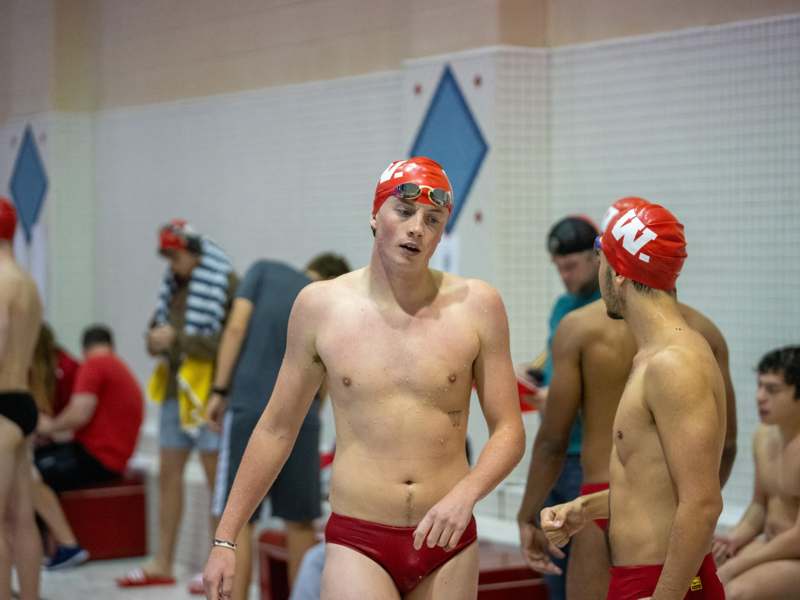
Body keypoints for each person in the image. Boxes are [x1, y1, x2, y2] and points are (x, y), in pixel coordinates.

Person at [203, 157, 525, 600]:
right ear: (376, 215)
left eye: (433, 219)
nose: (417, 228)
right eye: (404, 212)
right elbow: (277, 428)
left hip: (446, 538)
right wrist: (226, 537)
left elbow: (509, 430)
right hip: (360, 540)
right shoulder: (321, 307)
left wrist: (466, 494)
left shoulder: (478, 306)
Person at [518, 198, 738, 599]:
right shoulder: (653, 356)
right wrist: (583, 509)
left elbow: (703, 504)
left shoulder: (674, 364)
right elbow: (651, 486)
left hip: (663, 581)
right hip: (643, 575)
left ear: (618, 273)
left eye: (601, 259)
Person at [205, 253, 350, 600]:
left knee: (239, 520)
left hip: (251, 408)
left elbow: (236, 326)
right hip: (304, 418)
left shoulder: (264, 271)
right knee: (299, 521)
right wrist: (314, 415)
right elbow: (331, 369)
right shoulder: (330, 299)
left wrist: (219, 389)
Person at [118, 220, 238, 588]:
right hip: (174, 391)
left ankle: (215, 566)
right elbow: (158, 332)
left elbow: (228, 344)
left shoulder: (226, 284)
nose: (171, 264)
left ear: (194, 252)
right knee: (168, 477)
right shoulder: (171, 287)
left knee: (213, 480)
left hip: (209, 396)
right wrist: (154, 341)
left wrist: (177, 339)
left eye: (176, 255)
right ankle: (163, 561)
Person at [520, 214, 600, 600]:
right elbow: (552, 360)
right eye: (559, 268)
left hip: (590, 457)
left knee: (586, 577)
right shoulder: (562, 306)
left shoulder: (610, 309)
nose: (565, 276)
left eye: (570, 266)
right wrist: (533, 376)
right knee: (555, 570)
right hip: (555, 453)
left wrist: (567, 395)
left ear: (596, 257)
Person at [34, 325, 144, 568]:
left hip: (98, 457)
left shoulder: (94, 365)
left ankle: (67, 545)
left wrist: (47, 427)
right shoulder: (119, 367)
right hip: (111, 457)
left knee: (29, 473)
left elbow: (79, 412)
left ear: (84, 349)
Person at [713, 346, 800, 599]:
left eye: (772, 389)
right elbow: (760, 506)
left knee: (735, 592)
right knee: (697, 579)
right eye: (759, 386)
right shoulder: (763, 436)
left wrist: (736, 566)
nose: (759, 396)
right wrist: (734, 538)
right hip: (769, 548)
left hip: (794, 555)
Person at [0, 197, 43, 600]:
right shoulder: (27, 283)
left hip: (1, 408)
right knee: (23, 518)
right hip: (22, 403)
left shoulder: (0, 281)